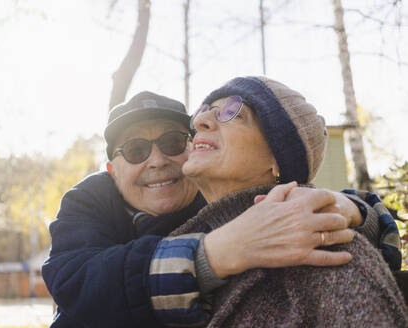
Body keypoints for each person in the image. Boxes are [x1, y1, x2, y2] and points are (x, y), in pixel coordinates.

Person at [42, 91, 400, 327]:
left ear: (194, 148)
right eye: (136, 150)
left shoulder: (225, 197)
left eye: (171, 143)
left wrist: (343, 208)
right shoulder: (88, 200)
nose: (157, 161)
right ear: (111, 170)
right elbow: (75, 283)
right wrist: (217, 252)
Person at [161, 76, 407, 327]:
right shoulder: (177, 245)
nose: (201, 121)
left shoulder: (327, 249)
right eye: (203, 111)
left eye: (232, 112)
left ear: (278, 158)